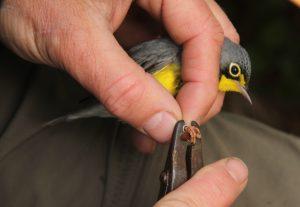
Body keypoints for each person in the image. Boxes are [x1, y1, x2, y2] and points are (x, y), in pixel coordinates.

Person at [0, 1, 299, 207]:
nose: (239, 87)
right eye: (235, 74)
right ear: (224, 64)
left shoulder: (194, 72)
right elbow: (124, 69)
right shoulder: (171, 56)